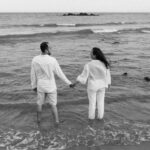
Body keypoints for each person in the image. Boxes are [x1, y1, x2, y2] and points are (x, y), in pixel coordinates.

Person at [31, 42, 73, 127]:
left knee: (39, 104)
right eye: (50, 48)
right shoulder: (52, 60)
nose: (51, 49)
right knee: (53, 105)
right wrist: (69, 83)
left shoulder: (35, 59)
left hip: (41, 85)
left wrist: (33, 85)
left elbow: (33, 74)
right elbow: (60, 73)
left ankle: (39, 121)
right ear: (46, 50)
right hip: (50, 86)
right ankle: (56, 122)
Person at [73, 47, 111, 126]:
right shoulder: (104, 63)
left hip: (92, 86)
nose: (90, 54)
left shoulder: (89, 65)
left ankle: (91, 120)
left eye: (91, 53)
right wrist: (108, 83)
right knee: (101, 103)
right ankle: (100, 118)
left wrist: (75, 83)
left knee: (92, 104)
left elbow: (83, 77)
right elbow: (108, 75)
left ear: (94, 55)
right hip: (102, 85)